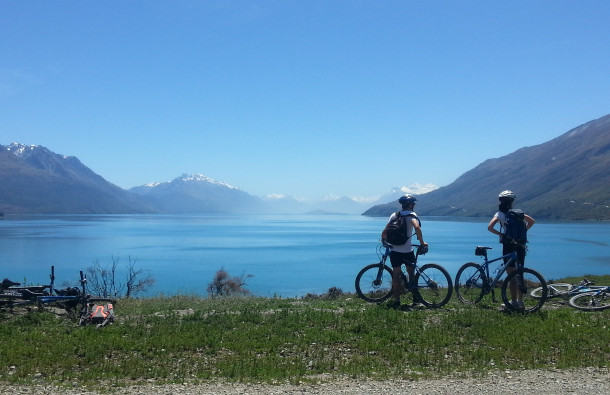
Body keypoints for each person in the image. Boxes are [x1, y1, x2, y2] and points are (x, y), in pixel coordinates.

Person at [487, 190, 535, 309]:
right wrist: (523, 233)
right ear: (512, 201)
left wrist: (502, 235)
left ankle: (513, 303)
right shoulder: (517, 214)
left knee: (511, 274)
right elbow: (531, 221)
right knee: (520, 272)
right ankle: (520, 302)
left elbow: (490, 227)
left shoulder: (499, 214)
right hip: (520, 245)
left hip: (508, 245)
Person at [381, 194, 428, 307]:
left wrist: (384, 241)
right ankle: (415, 299)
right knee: (411, 274)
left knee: (396, 275)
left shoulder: (394, 215)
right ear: (411, 205)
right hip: (407, 251)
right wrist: (422, 242)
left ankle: (397, 300)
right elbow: (417, 228)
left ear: (402, 205)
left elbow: (384, 233)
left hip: (394, 251)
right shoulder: (412, 215)